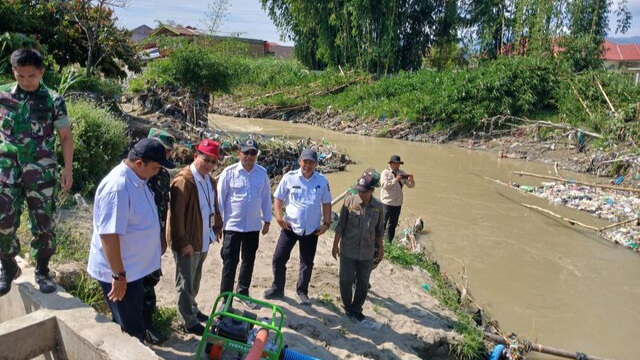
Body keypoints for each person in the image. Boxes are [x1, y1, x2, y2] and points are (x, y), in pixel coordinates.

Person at [0, 48, 74, 296]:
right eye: (20, 76)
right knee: (3, 221)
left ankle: (42, 270)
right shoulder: (2, 96)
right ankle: (8, 266)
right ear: (13, 72)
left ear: (41, 72)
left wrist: (68, 170)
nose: (25, 81)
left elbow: (65, 137)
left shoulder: (53, 100)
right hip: (6, 172)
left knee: (43, 223)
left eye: (30, 76)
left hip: (41, 173)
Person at [87, 138, 175, 342]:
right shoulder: (118, 187)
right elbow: (109, 235)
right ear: (139, 163)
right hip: (120, 272)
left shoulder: (138, 178)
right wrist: (118, 276)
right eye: (154, 167)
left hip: (132, 270)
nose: (157, 172)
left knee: (132, 324)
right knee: (131, 333)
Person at [167, 139, 222, 336]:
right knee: (185, 282)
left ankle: (192, 308)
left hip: (203, 237)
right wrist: (183, 242)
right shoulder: (184, 180)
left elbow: (213, 206)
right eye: (206, 160)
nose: (209, 165)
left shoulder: (210, 180)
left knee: (195, 279)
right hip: (188, 240)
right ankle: (187, 320)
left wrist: (217, 226)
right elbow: (176, 216)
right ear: (196, 156)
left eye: (213, 162)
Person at [263, 148, 332, 305]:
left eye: (311, 162)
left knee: (307, 263)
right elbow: (278, 198)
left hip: (312, 230)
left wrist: (326, 224)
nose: (307, 165)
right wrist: (279, 218)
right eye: (305, 161)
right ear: (299, 161)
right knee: (279, 258)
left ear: (316, 164)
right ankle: (278, 289)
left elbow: (326, 203)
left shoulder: (322, 181)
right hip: (290, 227)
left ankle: (302, 291)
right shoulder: (289, 177)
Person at [217, 139, 272, 309]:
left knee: (249, 260)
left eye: (253, 153)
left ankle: (242, 292)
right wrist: (218, 224)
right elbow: (220, 200)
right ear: (238, 153)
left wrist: (267, 220)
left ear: (256, 155)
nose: (249, 156)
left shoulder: (262, 174)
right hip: (232, 226)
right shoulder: (229, 172)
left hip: (253, 226)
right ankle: (225, 300)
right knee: (230, 262)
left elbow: (266, 198)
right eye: (246, 152)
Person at [332, 172, 384, 323]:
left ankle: (356, 308)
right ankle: (347, 307)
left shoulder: (378, 207)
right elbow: (340, 226)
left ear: (372, 190)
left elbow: (379, 231)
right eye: (359, 190)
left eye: (364, 191)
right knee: (346, 280)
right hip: (348, 250)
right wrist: (335, 246)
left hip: (367, 252)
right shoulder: (349, 202)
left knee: (362, 282)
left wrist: (381, 249)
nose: (360, 193)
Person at [143, 128, 176, 344]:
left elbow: (164, 207)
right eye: (164, 151)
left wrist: (164, 237)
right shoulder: (139, 172)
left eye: (169, 153)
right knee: (137, 282)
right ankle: (139, 326)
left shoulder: (163, 175)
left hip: (155, 236)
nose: (167, 156)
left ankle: (148, 323)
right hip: (138, 237)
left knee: (152, 278)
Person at [380, 155, 415, 242]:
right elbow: (384, 185)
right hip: (386, 202)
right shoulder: (385, 172)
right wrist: (395, 180)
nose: (397, 165)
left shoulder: (402, 173)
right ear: (391, 163)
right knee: (383, 223)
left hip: (397, 203)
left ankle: (389, 243)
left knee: (393, 224)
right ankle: (378, 242)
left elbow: (411, 186)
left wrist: (411, 180)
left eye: (398, 164)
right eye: (395, 163)